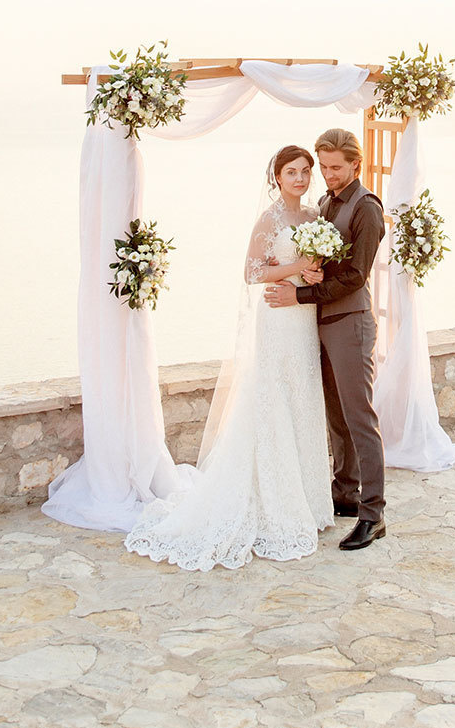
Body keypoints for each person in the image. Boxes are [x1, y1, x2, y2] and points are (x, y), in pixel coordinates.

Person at [123, 145, 335, 570]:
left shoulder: (315, 218)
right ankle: (273, 502)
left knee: (303, 398)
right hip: (277, 316)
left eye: (306, 172)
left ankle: (307, 501)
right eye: (292, 172)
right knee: (272, 399)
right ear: (276, 177)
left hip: (304, 315)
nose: (300, 178)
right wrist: (292, 269)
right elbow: (252, 272)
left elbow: (319, 266)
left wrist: (313, 272)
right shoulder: (269, 219)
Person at [265, 127, 387, 551]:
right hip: (321, 322)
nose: (329, 176)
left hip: (350, 323)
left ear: (356, 164)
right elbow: (324, 263)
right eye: (326, 168)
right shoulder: (323, 203)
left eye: (337, 168)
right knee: (336, 418)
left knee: (359, 419)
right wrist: (308, 273)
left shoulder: (367, 209)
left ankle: (373, 514)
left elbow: (355, 277)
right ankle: (345, 493)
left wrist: (299, 293)